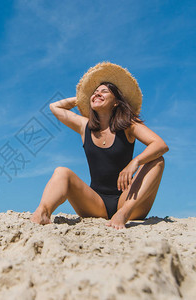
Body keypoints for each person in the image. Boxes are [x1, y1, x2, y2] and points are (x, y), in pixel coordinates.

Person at [30, 62, 169, 229]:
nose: (97, 94)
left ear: (116, 102)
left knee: (157, 160)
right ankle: (43, 212)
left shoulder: (129, 125)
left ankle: (122, 215)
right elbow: (55, 107)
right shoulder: (85, 126)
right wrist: (84, 98)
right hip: (96, 203)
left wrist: (135, 162)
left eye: (104, 92)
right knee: (62, 172)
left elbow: (160, 144)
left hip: (129, 200)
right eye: (95, 93)